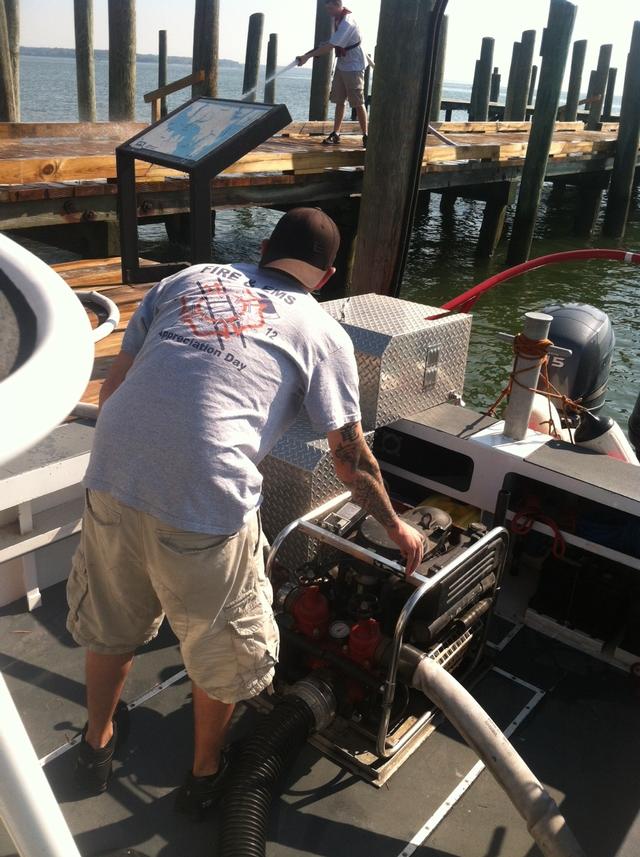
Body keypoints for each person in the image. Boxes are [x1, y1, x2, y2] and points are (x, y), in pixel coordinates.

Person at [66, 207, 423, 817]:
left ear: (262, 246)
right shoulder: (322, 330)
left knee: (112, 624)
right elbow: (350, 460)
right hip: (205, 506)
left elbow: (112, 391)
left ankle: (94, 747)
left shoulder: (185, 280)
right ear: (328, 276)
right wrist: (395, 526)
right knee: (222, 650)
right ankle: (205, 775)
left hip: (111, 475)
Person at [297, 0, 368, 147]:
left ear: (337, 6)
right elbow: (331, 43)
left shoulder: (346, 23)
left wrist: (308, 57)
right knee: (339, 100)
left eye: (330, 8)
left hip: (354, 66)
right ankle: (336, 133)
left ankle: (366, 135)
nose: (327, 11)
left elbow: (329, 47)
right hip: (342, 64)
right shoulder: (338, 18)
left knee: (358, 102)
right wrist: (310, 53)